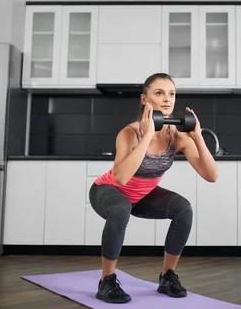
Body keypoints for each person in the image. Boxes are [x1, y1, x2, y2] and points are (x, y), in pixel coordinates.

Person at [88, 73, 219, 304]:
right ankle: (106, 281)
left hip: (141, 197)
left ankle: (167, 277)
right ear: (144, 99)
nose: (167, 99)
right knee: (121, 208)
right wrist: (148, 134)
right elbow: (121, 177)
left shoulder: (177, 137)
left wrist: (198, 138)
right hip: (108, 191)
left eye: (171, 94)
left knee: (183, 209)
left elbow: (212, 176)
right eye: (159, 93)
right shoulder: (129, 133)